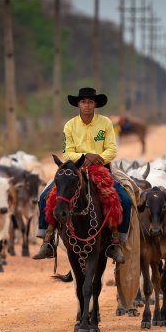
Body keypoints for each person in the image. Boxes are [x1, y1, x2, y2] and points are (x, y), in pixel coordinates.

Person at [32, 87, 131, 263]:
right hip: (75, 170)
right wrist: (84, 158)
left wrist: (99, 158)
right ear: (78, 104)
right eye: (83, 101)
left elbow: (112, 148)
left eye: (90, 102)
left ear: (95, 104)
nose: (86, 105)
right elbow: (67, 151)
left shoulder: (106, 123)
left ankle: (117, 241)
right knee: (45, 196)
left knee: (123, 198)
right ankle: (47, 241)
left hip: (101, 168)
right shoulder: (70, 125)